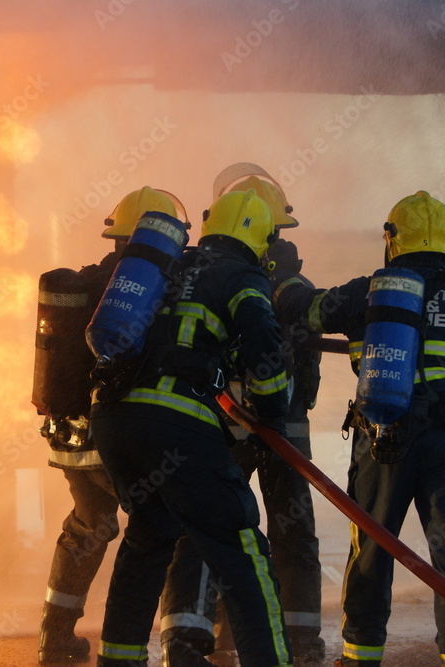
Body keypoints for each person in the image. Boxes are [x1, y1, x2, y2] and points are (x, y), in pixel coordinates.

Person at [272, 191, 445, 666]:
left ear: (392, 240)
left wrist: (279, 273)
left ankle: (360, 657)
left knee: (371, 548)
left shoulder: (367, 290)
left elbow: (302, 312)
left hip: (382, 440)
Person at [91, 189, 293, 667]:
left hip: (116, 420)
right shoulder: (243, 275)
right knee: (243, 549)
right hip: (175, 424)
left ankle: (117, 661)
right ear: (256, 239)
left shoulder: (171, 264)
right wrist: (273, 411)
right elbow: (264, 344)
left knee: (148, 536)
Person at [160, 168, 325, 667]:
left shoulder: (208, 273)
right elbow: (308, 366)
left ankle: (206, 635)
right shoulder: (293, 282)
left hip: (221, 422)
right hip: (284, 425)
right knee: (291, 530)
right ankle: (301, 641)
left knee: (210, 528)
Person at [33, 186, 187, 664]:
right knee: (165, 531)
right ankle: (178, 643)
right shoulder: (147, 287)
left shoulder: (84, 282)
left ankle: (54, 637)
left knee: (89, 525)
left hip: (68, 439)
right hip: (117, 439)